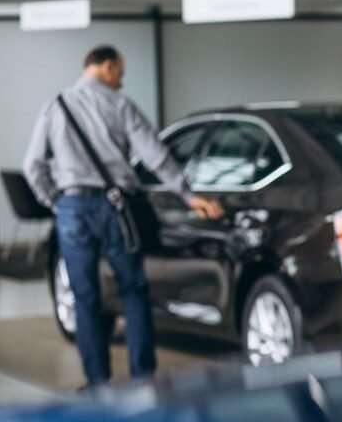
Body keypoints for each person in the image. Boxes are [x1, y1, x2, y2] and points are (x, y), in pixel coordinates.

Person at [23, 45, 224, 388]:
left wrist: (56, 201)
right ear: (104, 67)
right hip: (116, 208)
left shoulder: (54, 106)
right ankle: (142, 378)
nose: (122, 80)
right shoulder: (119, 105)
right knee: (133, 290)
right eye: (120, 72)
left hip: (72, 209)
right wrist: (189, 195)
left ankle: (98, 383)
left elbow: (33, 165)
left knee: (85, 296)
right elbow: (154, 154)